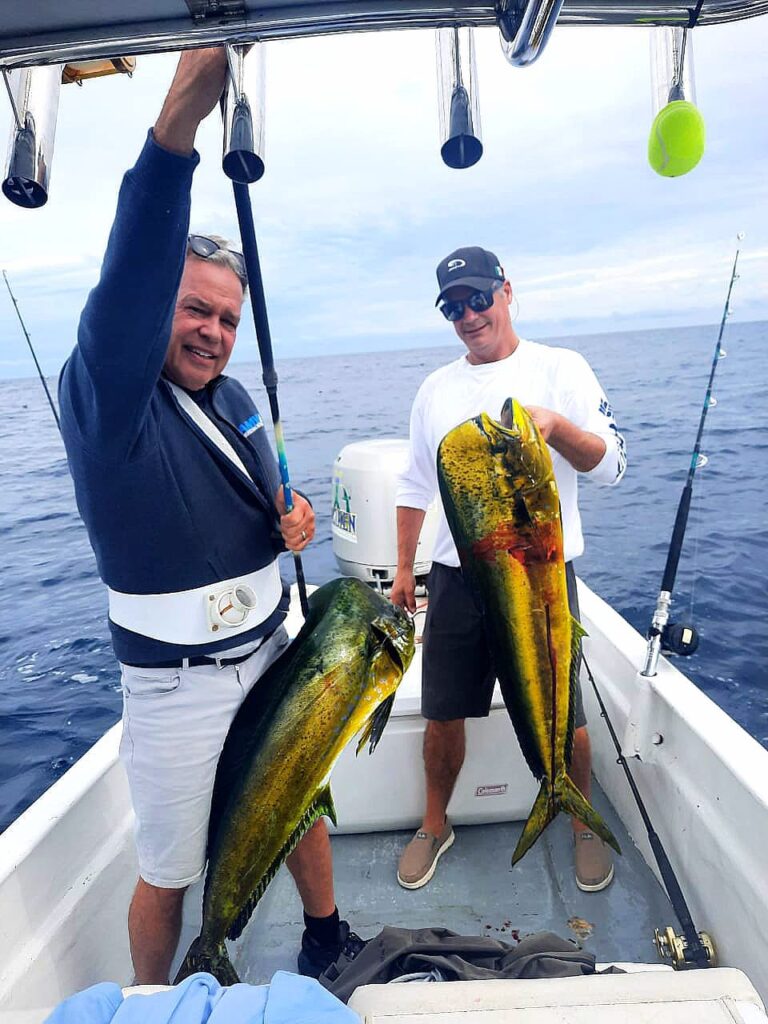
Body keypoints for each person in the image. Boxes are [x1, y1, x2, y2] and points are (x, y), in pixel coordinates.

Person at [58, 48, 362, 985]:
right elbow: (130, 276)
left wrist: (297, 514)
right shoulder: (110, 397)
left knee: (303, 800)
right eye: (194, 310)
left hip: (273, 650)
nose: (212, 332)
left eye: (228, 319)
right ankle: (156, 998)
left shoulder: (233, 400)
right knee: (170, 869)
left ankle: (326, 934)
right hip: (177, 686)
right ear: (160, 310)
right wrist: (180, 123)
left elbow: (274, 499)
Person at [391, 246, 627, 894]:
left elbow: (610, 465)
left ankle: (577, 817)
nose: (468, 315)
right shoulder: (435, 390)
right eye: (453, 306)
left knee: (564, 710)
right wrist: (404, 571)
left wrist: (555, 430)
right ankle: (435, 822)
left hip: (541, 580)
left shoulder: (561, 369)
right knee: (444, 712)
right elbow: (413, 485)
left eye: (477, 298)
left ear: (506, 291)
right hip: (455, 578)